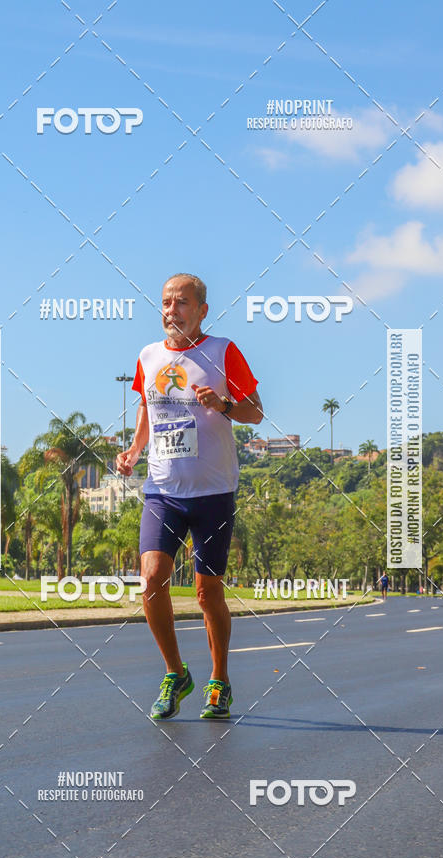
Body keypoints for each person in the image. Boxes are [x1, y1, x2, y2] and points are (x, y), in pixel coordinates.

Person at [116, 273, 263, 720]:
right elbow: (147, 408)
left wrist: (222, 405)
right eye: (165, 302)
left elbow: (255, 412)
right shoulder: (148, 355)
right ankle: (176, 673)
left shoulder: (222, 352)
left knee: (206, 592)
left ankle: (218, 680)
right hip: (163, 490)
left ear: (202, 310)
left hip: (213, 491)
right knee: (152, 577)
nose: (171, 310)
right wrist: (135, 449)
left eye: (181, 302)